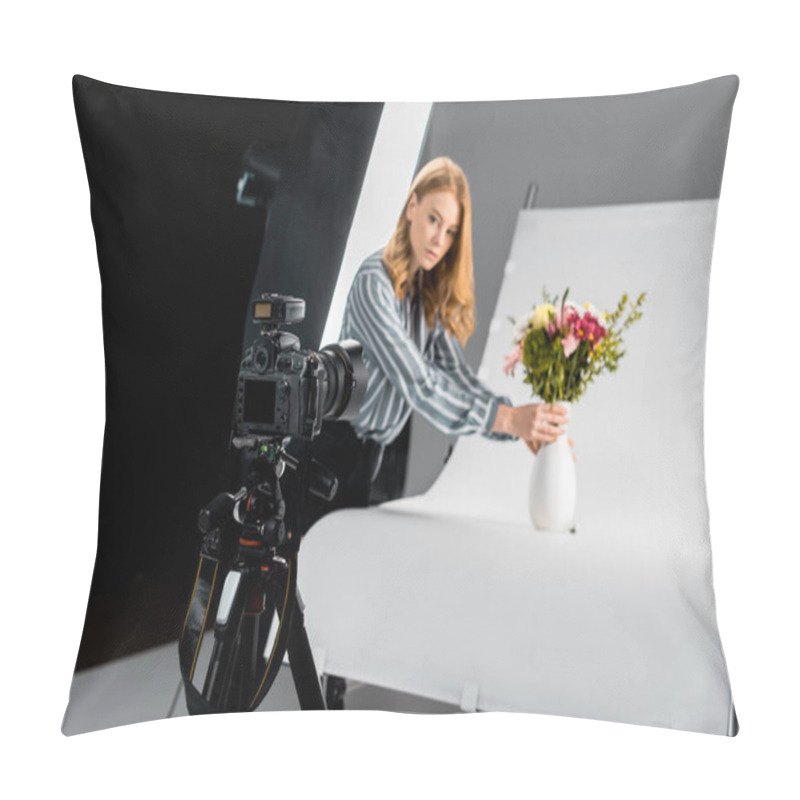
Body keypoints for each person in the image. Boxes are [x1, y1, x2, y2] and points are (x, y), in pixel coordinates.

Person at [298, 156, 568, 529]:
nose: (439, 240)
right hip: (330, 452)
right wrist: (510, 420)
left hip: (373, 460)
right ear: (412, 207)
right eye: (433, 219)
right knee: (301, 570)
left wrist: (518, 422)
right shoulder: (372, 282)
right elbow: (419, 383)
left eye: (451, 231)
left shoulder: (423, 294)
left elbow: (457, 377)